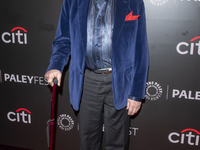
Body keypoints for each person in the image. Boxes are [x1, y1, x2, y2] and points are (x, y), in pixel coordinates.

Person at [45, 0, 149, 149]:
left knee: (118, 144)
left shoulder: (133, 2)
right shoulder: (72, 2)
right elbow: (63, 40)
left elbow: (141, 48)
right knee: (88, 142)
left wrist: (136, 93)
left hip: (120, 82)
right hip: (87, 81)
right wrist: (56, 65)